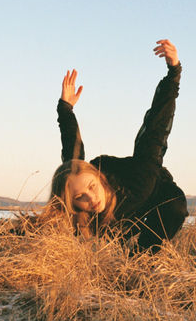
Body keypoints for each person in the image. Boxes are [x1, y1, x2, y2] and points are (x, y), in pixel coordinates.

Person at [49, 39, 188, 253]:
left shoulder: (139, 182)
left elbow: (156, 128)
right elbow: (72, 150)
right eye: (79, 198)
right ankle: (117, 245)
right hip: (116, 221)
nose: (91, 199)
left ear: (100, 178)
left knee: (175, 206)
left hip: (151, 198)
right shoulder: (75, 198)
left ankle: (142, 257)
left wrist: (174, 72)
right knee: (93, 235)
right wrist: (66, 109)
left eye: (92, 187)